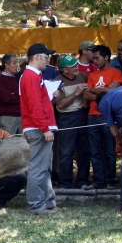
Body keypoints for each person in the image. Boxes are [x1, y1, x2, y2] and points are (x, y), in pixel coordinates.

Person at [20, 43, 58, 215]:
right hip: (37, 128)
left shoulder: (33, 76)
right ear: (37, 57)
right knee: (38, 168)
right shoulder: (30, 76)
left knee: (44, 167)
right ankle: (37, 205)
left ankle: (47, 203)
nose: (48, 60)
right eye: (46, 56)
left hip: (38, 127)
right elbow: (34, 106)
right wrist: (45, 128)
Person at [83, 45, 122, 189]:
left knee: (109, 150)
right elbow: (85, 95)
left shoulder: (116, 73)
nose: (95, 61)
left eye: (97, 58)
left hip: (108, 116)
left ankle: (110, 180)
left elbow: (114, 92)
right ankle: (98, 180)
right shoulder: (92, 75)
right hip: (92, 116)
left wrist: (94, 90)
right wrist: (104, 91)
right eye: (93, 58)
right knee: (94, 151)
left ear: (106, 57)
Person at [52, 55, 91, 189]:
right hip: (66, 118)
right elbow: (60, 105)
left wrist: (86, 100)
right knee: (65, 151)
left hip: (82, 115)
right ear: (64, 70)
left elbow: (87, 94)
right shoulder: (58, 81)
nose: (76, 67)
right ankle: (65, 183)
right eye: (72, 66)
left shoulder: (83, 76)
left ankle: (83, 181)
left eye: (76, 64)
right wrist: (76, 93)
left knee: (84, 149)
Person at [0, 54, 22, 135]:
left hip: (21, 116)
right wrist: (20, 95)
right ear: (6, 65)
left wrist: (14, 94)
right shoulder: (0, 81)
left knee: (23, 145)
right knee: (7, 145)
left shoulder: (18, 78)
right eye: (14, 63)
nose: (17, 65)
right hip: (7, 118)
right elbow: (7, 98)